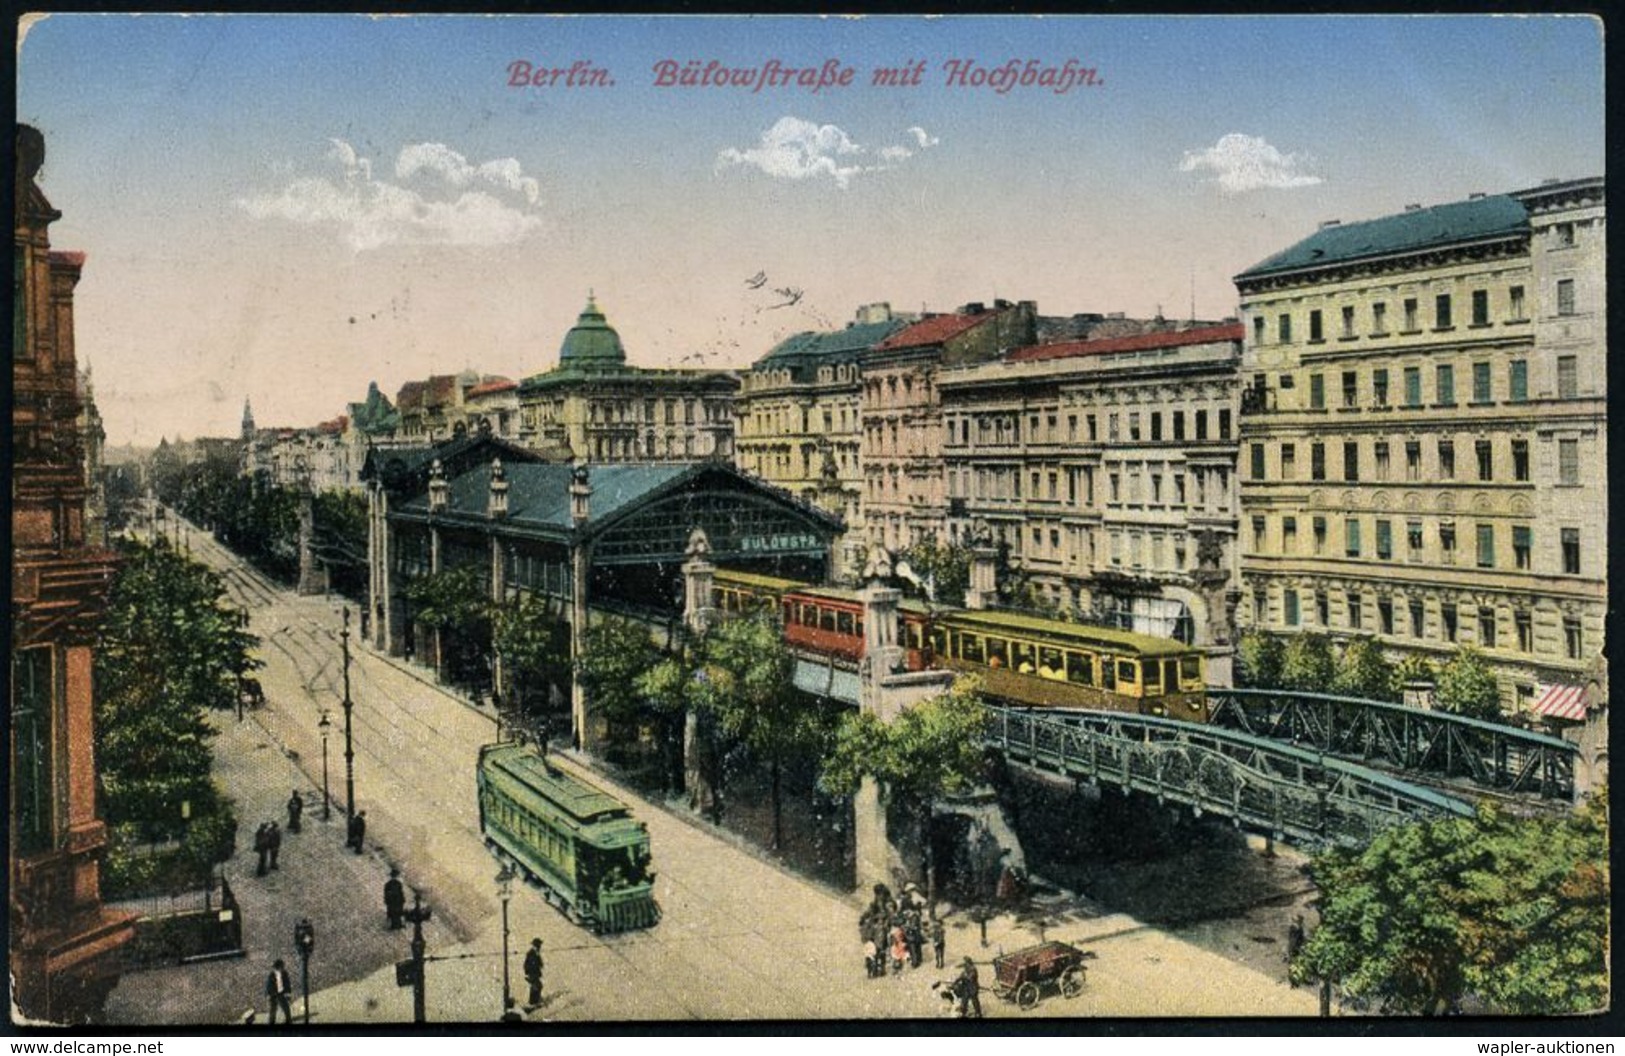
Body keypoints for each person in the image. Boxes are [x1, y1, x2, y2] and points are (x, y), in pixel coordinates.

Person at [265, 958, 293, 1025]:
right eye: (282, 967)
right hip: (273, 994)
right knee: (272, 1009)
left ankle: (288, 1020)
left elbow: (287, 983)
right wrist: (269, 994)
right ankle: (271, 1022)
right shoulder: (271, 975)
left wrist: (288, 993)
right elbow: (268, 986)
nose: (283, 968)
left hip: (281, 993)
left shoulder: (284, 973)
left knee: (286, 1007)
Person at [522, 938, 544, 1010]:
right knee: (536, 986)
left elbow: (539, 963)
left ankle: (535, 1002)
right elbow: (529, 964)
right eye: (539, 945)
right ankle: (532, 1003)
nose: (540, 947)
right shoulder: (531, 953)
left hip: (535, 973)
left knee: (537, 986)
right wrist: (528, 974)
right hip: (532, 973)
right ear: (536, 945)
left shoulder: (536, 953)